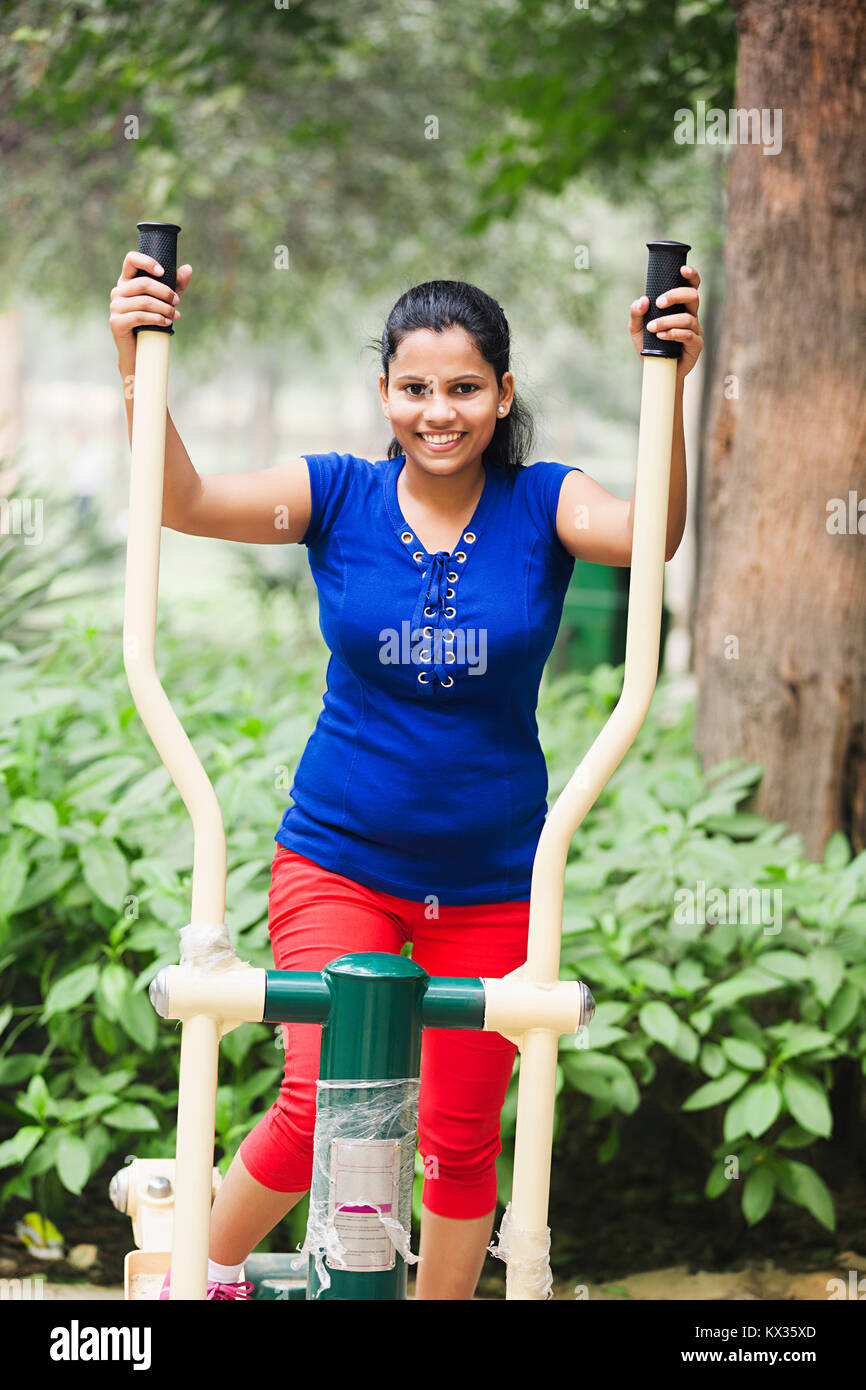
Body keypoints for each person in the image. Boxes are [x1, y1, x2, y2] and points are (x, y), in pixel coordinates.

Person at [109, 249, 702, 1300]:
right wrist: (132, 358)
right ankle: (204, 1272)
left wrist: (675, 378)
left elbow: (646, 538)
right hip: (341, 861)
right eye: (416, 388)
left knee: (459, 1141)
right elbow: (185, 499)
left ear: (502, 393)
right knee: (324, 1098)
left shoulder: (543, 503)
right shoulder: (334, 493)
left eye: (464, 388)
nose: (439, 411)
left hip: (497, 884)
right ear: (384, 392)